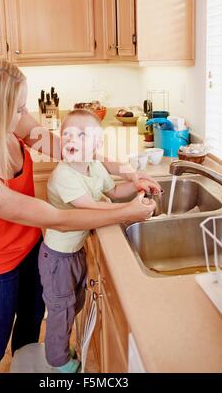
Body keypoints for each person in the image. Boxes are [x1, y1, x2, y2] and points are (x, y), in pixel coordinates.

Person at [0, 57, 158, 374]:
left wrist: (126, 171)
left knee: (31, 324)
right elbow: (54, 217)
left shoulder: (14, 126)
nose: (24, 115)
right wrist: (125, 211)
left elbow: (74, 152)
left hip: (32, 249)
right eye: (17, 108)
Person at [38, 109, 157, 373]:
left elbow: (114, 191)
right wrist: (128, 212)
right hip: (57, 258)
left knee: (73, 303)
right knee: (62, 309)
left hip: (74, 251)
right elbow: (90, 208)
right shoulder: (64, 175)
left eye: (82, 135)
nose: (72, 139)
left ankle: (59, 347)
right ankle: (57, 361)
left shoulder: (94, 166)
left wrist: (138, 187)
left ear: (96, 145)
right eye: (67, 134)